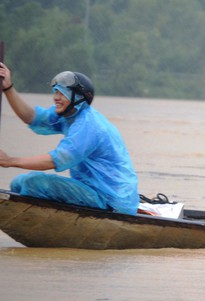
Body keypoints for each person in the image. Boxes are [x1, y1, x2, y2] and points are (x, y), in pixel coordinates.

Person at [0, 64, 139, 214]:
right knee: (19, 183)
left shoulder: (89, 125)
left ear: (78, 98)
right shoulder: (69, 115)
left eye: (62, 93)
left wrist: (11, 161)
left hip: (111, 200)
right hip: (93, 191)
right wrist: (8, 88)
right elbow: (33, 118)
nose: (56, 98)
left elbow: (55, 160)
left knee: (30, 183)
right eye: (55, 92)